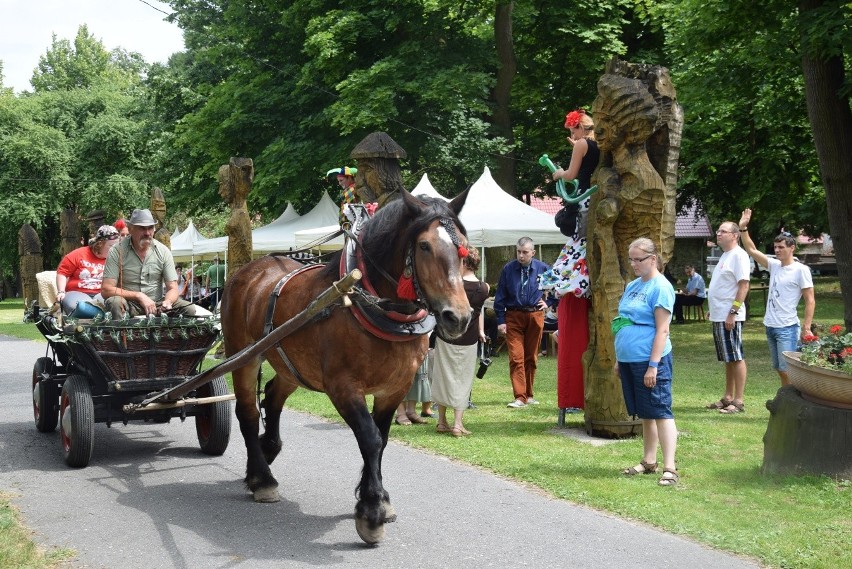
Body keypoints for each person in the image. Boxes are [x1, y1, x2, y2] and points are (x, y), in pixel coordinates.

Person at [540, 108, 600, 419]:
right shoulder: (598, 143)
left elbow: (572, 176)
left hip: (585, 203)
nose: (571, 136)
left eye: (572, 130)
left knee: (578, 241)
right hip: (595, 200)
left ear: (577, 127)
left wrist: (557, 173)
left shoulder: (581, 145)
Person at [614, 238, 679, 486]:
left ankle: (670, 467)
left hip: (651, 359)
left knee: (660, 410)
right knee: (646, 412)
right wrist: (620, 358)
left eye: (638, 259)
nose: (633, 264)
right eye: (630, 259)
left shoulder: (660, 287)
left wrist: (653, 365)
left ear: (653, 259)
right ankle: (648, 461)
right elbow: (622, 320)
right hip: (630, 358)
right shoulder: (632, 285)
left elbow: (662, 330)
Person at [738, 209, 814, 386]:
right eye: (775, 247)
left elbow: (810, 300)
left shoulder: (801, 270)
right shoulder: (774, 265)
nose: (777, 250)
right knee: (779, 368)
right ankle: (787, 398)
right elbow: (751, 249)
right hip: (770, 325)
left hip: (787, 326)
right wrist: (743, 228)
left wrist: (807, 327)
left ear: (792, 248)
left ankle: (793, 399)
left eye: (781, 247)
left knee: (788, 368)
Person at [431, 246, 489, 436]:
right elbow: (478, 312)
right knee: (463, 380)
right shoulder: (484, 288)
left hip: (445, 336)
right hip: (469, 339)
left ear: (462, 263)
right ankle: (457, 424)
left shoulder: (451, 285)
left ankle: (441, 421)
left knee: (442, 377)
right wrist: (481, 331)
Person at [101, 208, 197, 318]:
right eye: (142, 228)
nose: (147, 233)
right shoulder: (117, 251)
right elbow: (106, 289)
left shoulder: (163, 251)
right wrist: (138, 296)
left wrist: (168, 301)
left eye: (150, 228)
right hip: (129, 304)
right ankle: (119, 334)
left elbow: (173, 288)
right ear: (131, 229)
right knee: (115, 302)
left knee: (189, 308)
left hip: (157, 304)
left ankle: (174, 335)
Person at [494, 236, 550, 408]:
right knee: (516, 357)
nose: (521, 255)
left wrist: (551, 302)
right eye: (518, 252)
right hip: (514, 316)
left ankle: (529, 394)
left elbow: (558, 286)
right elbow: (500, 296)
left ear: (532, 252)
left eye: (525, 252)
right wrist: (501, 320)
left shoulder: (543, 268)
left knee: (531, 357)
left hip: (535, 315)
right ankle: (520, 396)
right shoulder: (508, 269)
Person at [706, 222, 751, 414]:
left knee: (736, 357)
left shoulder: (739, 256)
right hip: (719, 314)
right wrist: (713, 309)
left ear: (735, 235)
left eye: (723, 231)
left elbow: (743, 286)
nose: (718, 234)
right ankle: (728, 397)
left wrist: (732, 312)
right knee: (728, 358)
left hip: (730, 316)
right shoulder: (726, 255)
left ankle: (738, 401)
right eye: (718, 231)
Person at [55, 225, 120, 315]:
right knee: (82, 308)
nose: (115, 250)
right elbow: (62, 272)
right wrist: (61, 291)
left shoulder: (115, 258)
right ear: (100, 244)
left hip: (102, 293)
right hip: (77, 292)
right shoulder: (79, 254)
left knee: (114, 305)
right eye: (112, 246)